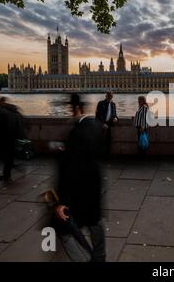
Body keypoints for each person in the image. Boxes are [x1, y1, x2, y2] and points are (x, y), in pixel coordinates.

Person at [54, 94, 106, 262]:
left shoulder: (76, 133)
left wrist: (63, 201)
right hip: (95, 186)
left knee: (65, 231)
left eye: (71, 110)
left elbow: (72, 168)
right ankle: (100, 258)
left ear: (76, 109)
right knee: (96, 223)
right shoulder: (98, 126)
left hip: (79, 191)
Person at [95, 91, 118, 157]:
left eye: (111, 96)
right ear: (106, 96)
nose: (110, 97)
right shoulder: (101, 103)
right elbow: (98, 115)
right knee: (100, 139)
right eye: (109, 96)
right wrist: (102, 123)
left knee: (108, 140)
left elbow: (114, 114)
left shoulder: (113, 104)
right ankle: (98, 154)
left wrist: (115, 118)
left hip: (109, 124)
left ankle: (107, 155)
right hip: (101, 124)